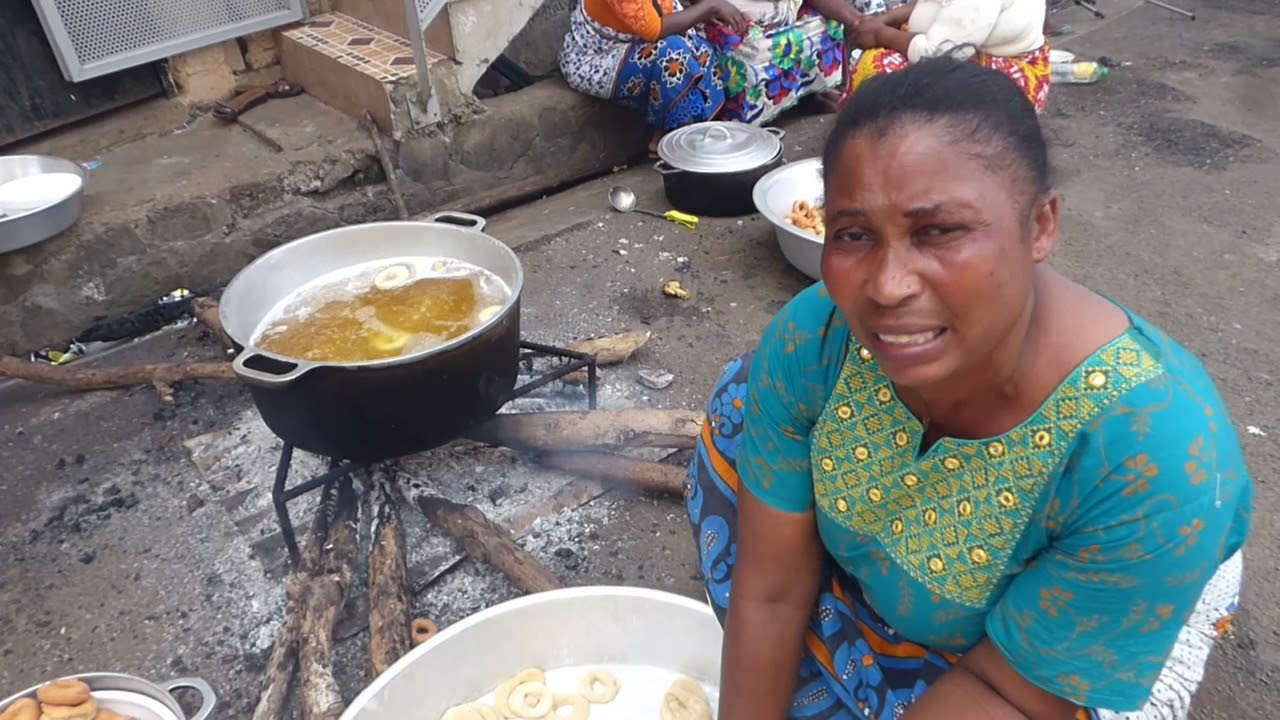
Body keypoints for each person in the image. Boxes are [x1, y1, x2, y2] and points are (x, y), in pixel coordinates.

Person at [684, 57, 1252, 720]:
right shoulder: (816, 340)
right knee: (746, 399)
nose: (888, 287)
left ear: (1040, 225)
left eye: (940, 232)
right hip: (913, 581)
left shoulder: (1156, 460)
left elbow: (1008, 693)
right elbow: (772, 595)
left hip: (1107, 604)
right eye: (854, 235)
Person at [558, 0, 748, 155]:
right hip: (599, 57)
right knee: (674, 58)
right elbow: (653, 30)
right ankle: (678, 143)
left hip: (644, 37)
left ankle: (682, 135)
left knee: (705, 52)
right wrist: (710, 7)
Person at [844, 0, 1053, 113]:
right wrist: (885, 19)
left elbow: (938, 54)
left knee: (882, 72)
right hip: (957, 45)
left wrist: (880, 34)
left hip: (1005, 79)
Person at [702, 0, 881, 125]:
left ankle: (808, 94)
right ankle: (742, 121)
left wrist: (857, 21)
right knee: (736, 39)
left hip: (777, 8)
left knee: (827, 21)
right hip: (731, 9)